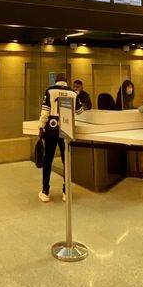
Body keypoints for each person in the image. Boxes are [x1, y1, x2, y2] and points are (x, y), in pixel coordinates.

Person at [38, 74, 83, 202]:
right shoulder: (73, 93)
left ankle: (45, 191)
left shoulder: (50, 90)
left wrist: (41, 127)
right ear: (66, 82)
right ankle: (66, 192)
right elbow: (80, 111)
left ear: (56, 80)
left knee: (48, 159)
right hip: (67, 128)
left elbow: (45, 112)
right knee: (66, 161)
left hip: (52, 128)